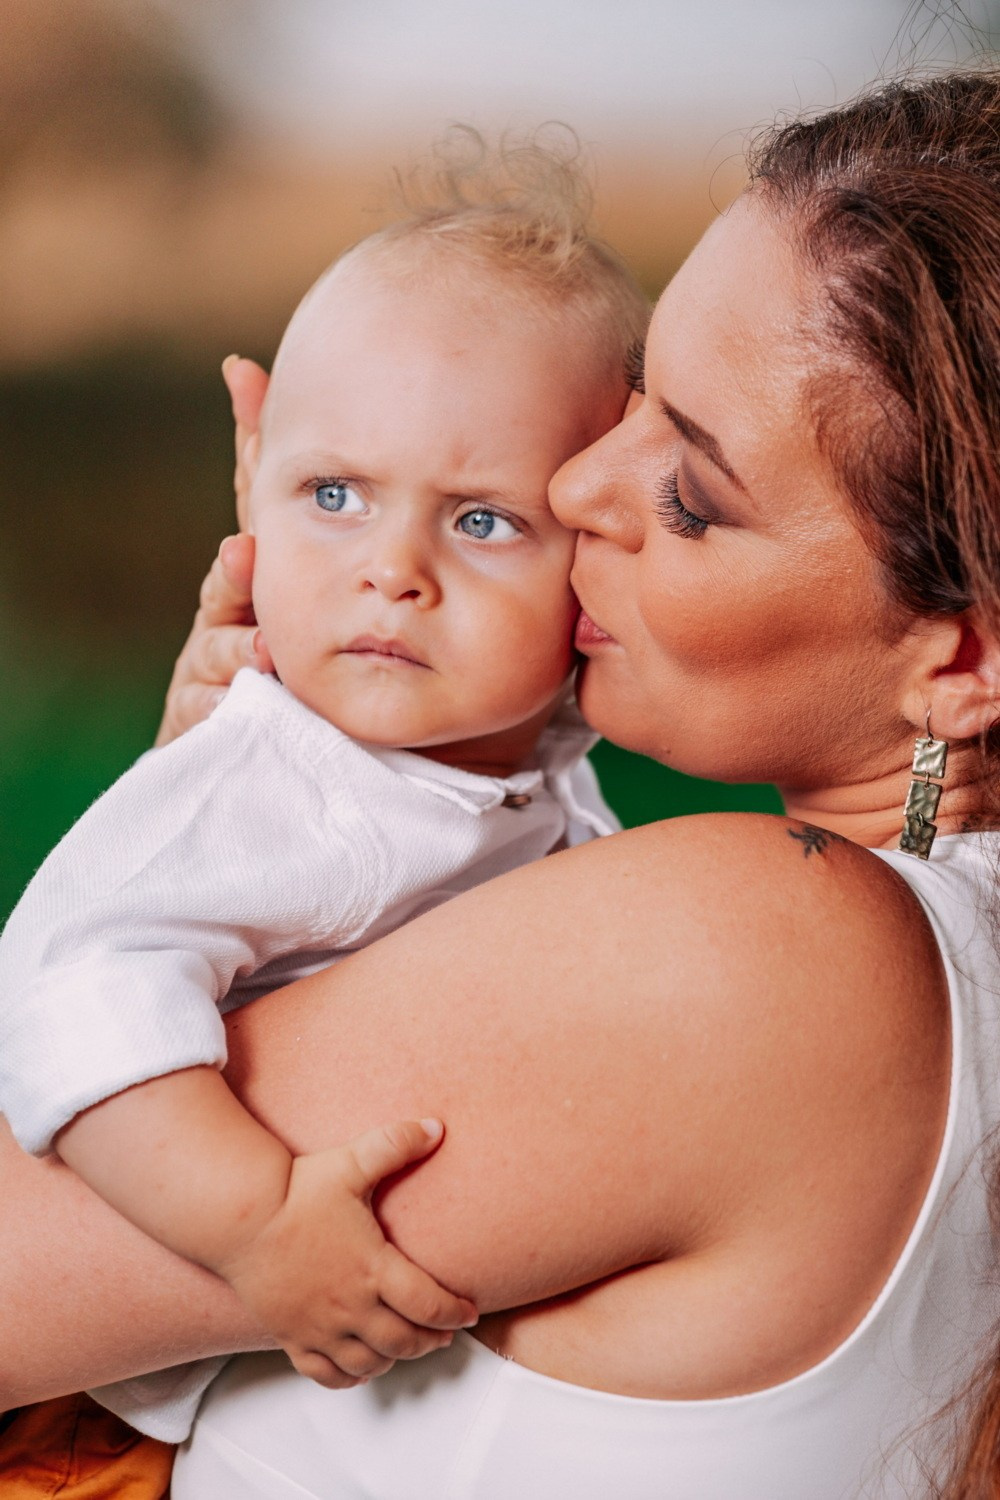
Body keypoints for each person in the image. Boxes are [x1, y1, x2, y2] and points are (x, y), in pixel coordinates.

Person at [4, 68, 1000, 1499]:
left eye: (693, 495)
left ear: (959, 662)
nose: (581, 483)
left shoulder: (758, 953)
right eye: (641, 400)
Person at [0, 142, 646, 1443]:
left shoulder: (537, 785)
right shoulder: (282, 780)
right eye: (335, 495)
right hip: (79, 1429)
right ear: (253, 470)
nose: (390, 572)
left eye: (482, 521)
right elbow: (68, 983)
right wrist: (257, 1233)